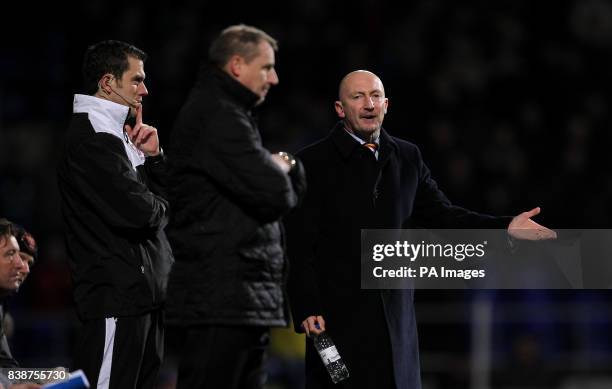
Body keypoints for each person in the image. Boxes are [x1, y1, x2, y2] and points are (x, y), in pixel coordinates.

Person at [285, 70, 556, 389]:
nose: (368, 104)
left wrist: (504, 227)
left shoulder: (407, 157)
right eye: (357, 97)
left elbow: (444, 216)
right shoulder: (311, 163)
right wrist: (306, 305)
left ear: (386, 104)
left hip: (395, 323)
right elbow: (298, 244)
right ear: (340, 109)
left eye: (375, 96)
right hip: (334, 322)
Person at [165, 24, 306, 389]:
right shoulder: (217, 115)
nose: (274, 78)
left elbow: (288, 186)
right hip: (222, 297)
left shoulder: (231, 114)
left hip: (238, 298)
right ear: (237, 65)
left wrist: (284, 161)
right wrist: (279, 168)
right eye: (266, 67)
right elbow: (278, 193)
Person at [57, 40, 174, 389]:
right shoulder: (92, 137)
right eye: (136, 80)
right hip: (116, 300)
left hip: (143, 298)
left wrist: (154, 159)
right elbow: (144, 214)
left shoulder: (120, 135)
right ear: (108, 83)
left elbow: (155, 207)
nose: (145, 90)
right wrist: (158, 197)